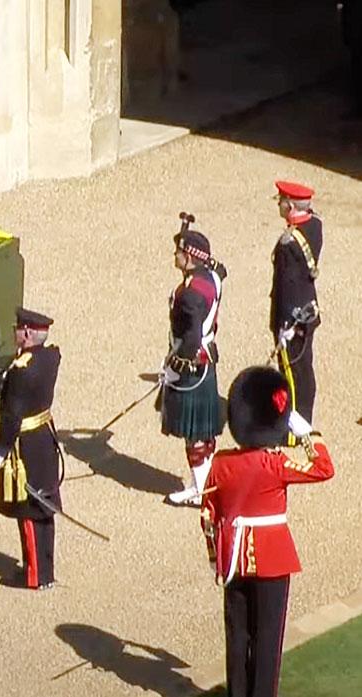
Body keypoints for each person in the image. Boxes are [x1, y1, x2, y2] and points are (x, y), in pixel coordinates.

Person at [200, 366, 334, 697]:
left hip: (233, 558)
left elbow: (208, 515)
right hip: (272, 557)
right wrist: (305, 432)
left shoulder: (221, 463)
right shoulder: (274, 465)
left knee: (238, 634)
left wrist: (217, 557)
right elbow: (323, 468)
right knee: (267, 637)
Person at [0, 309, 63, 590]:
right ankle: (46, 570)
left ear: (27, 333)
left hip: (26, 445)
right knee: (45, 507)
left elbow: (12, 418)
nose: (15, 331)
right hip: (45, 437)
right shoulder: (50, 357)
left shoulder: (21, 370)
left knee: (28, 510)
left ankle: (34, 575)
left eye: (18, 328)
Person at [161, 217, 226, 507]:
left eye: (179, 252)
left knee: (195, 434)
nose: (174, 255)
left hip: (193, 365)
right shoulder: (211, 277)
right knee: (203, 430)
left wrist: (175, 366)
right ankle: (204, 482)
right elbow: (218, 269)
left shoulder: (190, 295)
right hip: (206, 361)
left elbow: (190, 337)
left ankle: (200, 489)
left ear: (189, 258)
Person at [269, 181, 323, 424]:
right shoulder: (315, 225)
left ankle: (296, 423)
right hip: (308, 308)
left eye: (281, 201)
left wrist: (285, 324)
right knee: (304, 367)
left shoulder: (288, 244)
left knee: (292, 371)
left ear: (290, 205)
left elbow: (286, 287)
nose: (279, 204)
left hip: (293, 317)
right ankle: (303, 417)